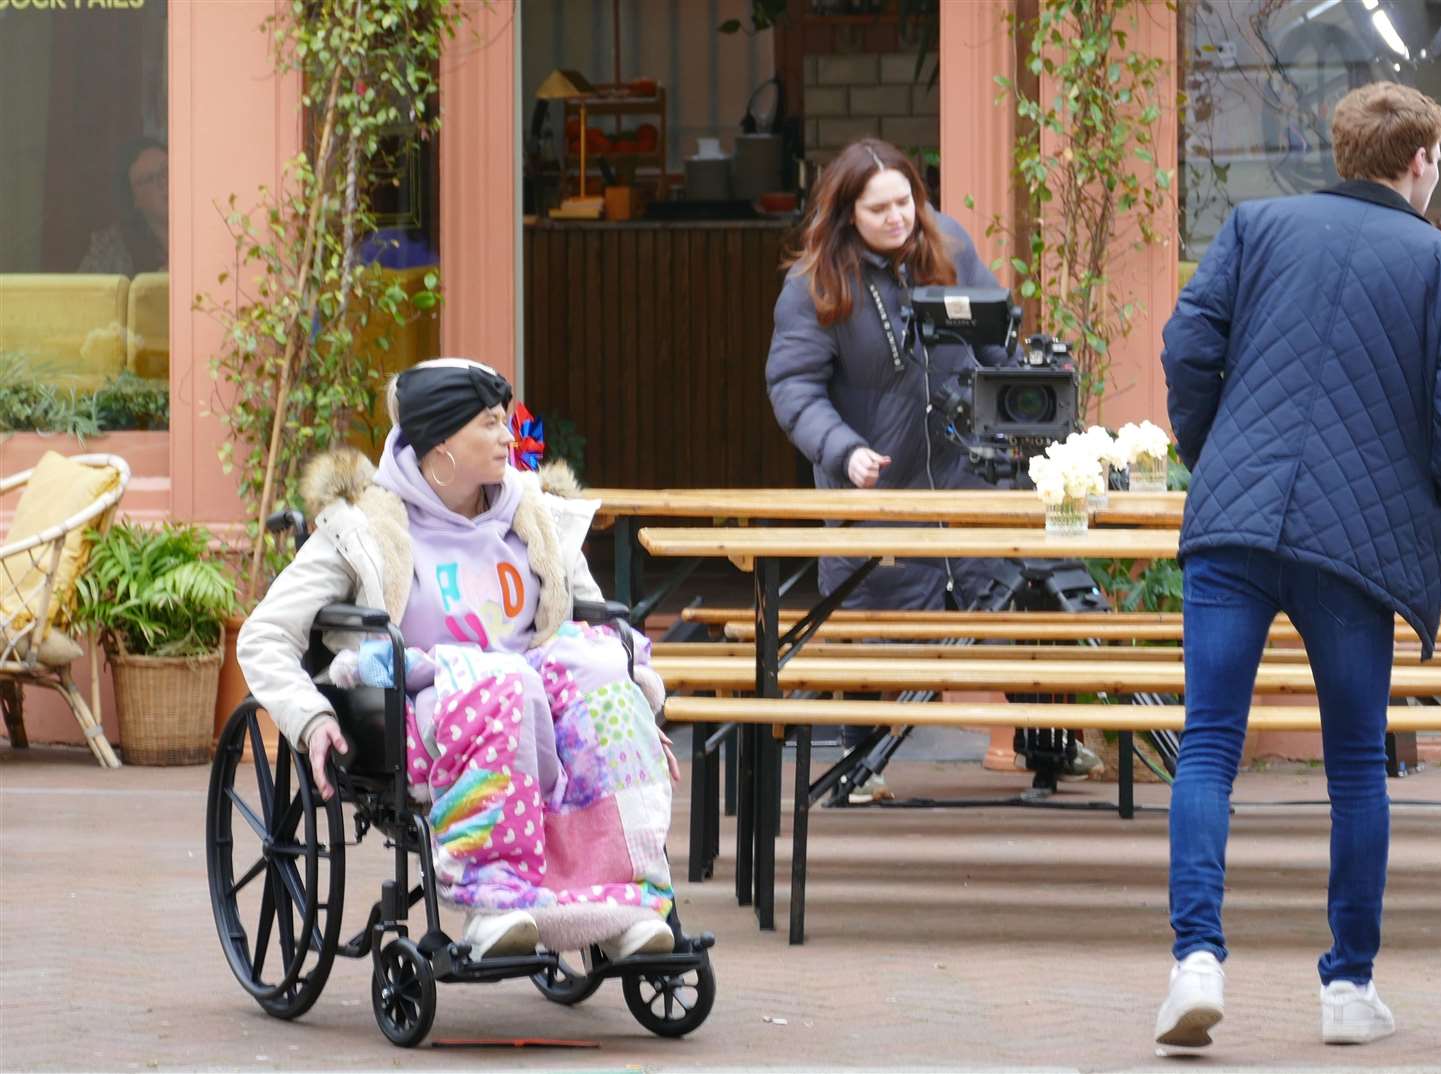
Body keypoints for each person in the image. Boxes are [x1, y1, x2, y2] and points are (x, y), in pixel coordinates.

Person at [1152, 82, 1441, 1049]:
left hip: (1233, 522)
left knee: (1209, 745)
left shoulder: (1257, 228)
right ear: (1420, 161)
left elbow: (1187, 345)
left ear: (1345, 150)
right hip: (1355, 546)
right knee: (1356, 765)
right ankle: (1347, 989)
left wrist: (1211, 451)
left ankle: (1195, 961)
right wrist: (1439, 503)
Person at [237, 357, 682, 962]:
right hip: (428, 715)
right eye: (491, 424)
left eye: (506, 423)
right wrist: (311, 718)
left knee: (599, 671)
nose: (509, 436)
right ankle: (496, 899)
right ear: (441, 440)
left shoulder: (534, 515)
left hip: (540, 712)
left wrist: (636, 697)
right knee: (502, 683)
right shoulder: (364, 527)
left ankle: (625, 898)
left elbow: (588, 617)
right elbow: (263, 634)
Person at [764, 137, 1099, 799]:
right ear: (846, 213)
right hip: (874, 472)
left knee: (1007, 594)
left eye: (907, 203)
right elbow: (792, 388)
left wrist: (1033, 412)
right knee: (878, 618)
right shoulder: (813, 283)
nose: (899, 219)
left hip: (965, 463)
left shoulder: (947, 241)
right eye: (880, 208)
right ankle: (864, 761)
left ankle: (1047, 743)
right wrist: (842, 449)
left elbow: (995, 337)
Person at [79, 137, 168, 274]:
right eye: (149, 179)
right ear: (134, 200)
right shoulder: (111, 249)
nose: (164, 183)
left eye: (166, 170)